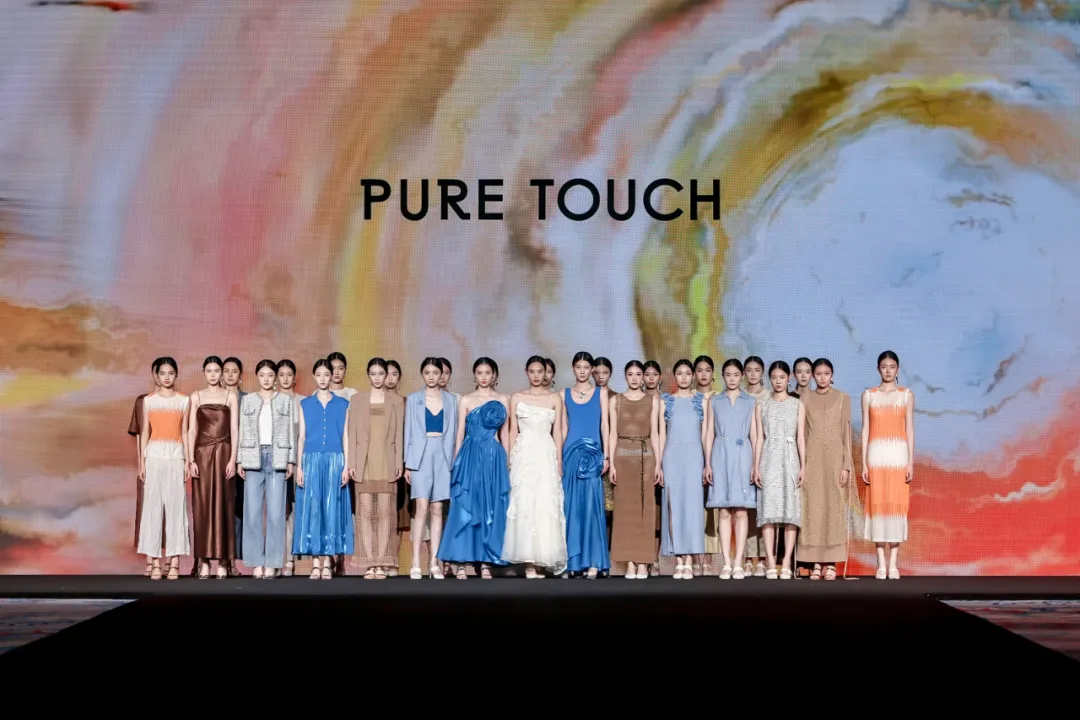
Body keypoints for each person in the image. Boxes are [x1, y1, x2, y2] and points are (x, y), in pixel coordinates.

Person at [438, 358, 511, 579]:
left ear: (494, 375)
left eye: (487, 372)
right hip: (470, 457)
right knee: (466, 506)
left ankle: (486, 562)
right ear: (474, 375)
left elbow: (505, 434)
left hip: (493, 457)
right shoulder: (466, 400)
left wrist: (507, 461)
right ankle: (461, 562)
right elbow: (460, 433)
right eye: (479, 372)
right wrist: (457, 462)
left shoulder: (503, 399)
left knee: (489, 508)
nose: (484, 377)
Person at [502, 356, 568, 578]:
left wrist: (559, 460)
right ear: (526, 372)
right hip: (524, 454)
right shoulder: (517, 397)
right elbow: (512, 430)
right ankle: (529, 563)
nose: (537, 375)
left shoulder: (554, 398)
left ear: (546, 372)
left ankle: (541, 561)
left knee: (545, 503)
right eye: (532, 371)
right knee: (525, 503)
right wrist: (510, 457)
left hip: (546, 453)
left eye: (540, 371)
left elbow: (557, 432)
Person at [293, 359, 353, 579]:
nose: (323, 379)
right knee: (313, 509)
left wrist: (346, 466)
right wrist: (299, 467)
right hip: (311, 461)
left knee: (331, 509)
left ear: (332, 376)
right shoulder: (306, 404)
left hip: (335, 461)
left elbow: (345, 436)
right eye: (318, 375)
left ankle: (328, 561)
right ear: (314, 377)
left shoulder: (343, 404)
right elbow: (301, 438)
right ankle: (315, 562)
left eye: (326, 374)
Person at [238, 359, 296, 579]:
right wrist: (239, 460)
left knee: (275, 514)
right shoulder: (248, 400)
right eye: (262, 375)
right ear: (257, 377)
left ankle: (272, 562)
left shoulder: (285, 400)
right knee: (252, 513)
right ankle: (255, 563)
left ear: (275, 378)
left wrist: (290, 460)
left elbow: (290, 431)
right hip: (253, 456)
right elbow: (242, 430)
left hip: (277, 457)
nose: (266, 379)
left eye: (270, 375)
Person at [862, 350, 914, 580]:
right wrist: (864, 463)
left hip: (898, 456)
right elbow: (865, 430)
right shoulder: (869, 396)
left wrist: (911, 461)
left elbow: (909, 429)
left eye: (892, 367)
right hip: (876, 456)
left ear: (897, 369)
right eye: (884, 367)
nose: (888, 371)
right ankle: (880, 563)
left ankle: (893, 562)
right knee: (878, 506)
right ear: (878, 369)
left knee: (896, 506)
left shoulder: (906, 395)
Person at [138, 357, 191, 580]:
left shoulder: (184, 401)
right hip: (154, 456)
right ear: (156, 375)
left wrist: (188, 461)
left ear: (176, 374)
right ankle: (155, 563)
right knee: (152, 510)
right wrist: (142, 462)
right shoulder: (149, 401)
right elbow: (144, 433)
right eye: (162, 373)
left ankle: (175, 562)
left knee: (176, 509)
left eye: (170, 373)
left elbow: (185, 432)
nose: (166, 377)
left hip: (176, 456)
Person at [609, 360, 662, 579]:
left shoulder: (653, 401)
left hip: (645, 456)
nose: (634, 378)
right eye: (630, 374)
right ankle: (629, 561)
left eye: (638, 374)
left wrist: (658, 464)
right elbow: (612, 433)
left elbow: (655, 434)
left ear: (643, 377)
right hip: (622, 456)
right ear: (625, 376)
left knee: (645, 511)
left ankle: (643, 562)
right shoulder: (615, 400)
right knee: (625, 512)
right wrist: (611, 463)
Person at [754, 361, 805, 580]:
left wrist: (803, 466)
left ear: (789, 378)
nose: (778, 381)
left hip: (790, 458)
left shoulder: (797, 405)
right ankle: (770, 561)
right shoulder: (762, 405)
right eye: (774, 377)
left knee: (791, 512)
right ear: (769, 378)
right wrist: (756, 466)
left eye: (782, 377)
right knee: (768, 512)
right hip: (769, 458)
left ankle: (786, 563)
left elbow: (800, 438)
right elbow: (759, 438)